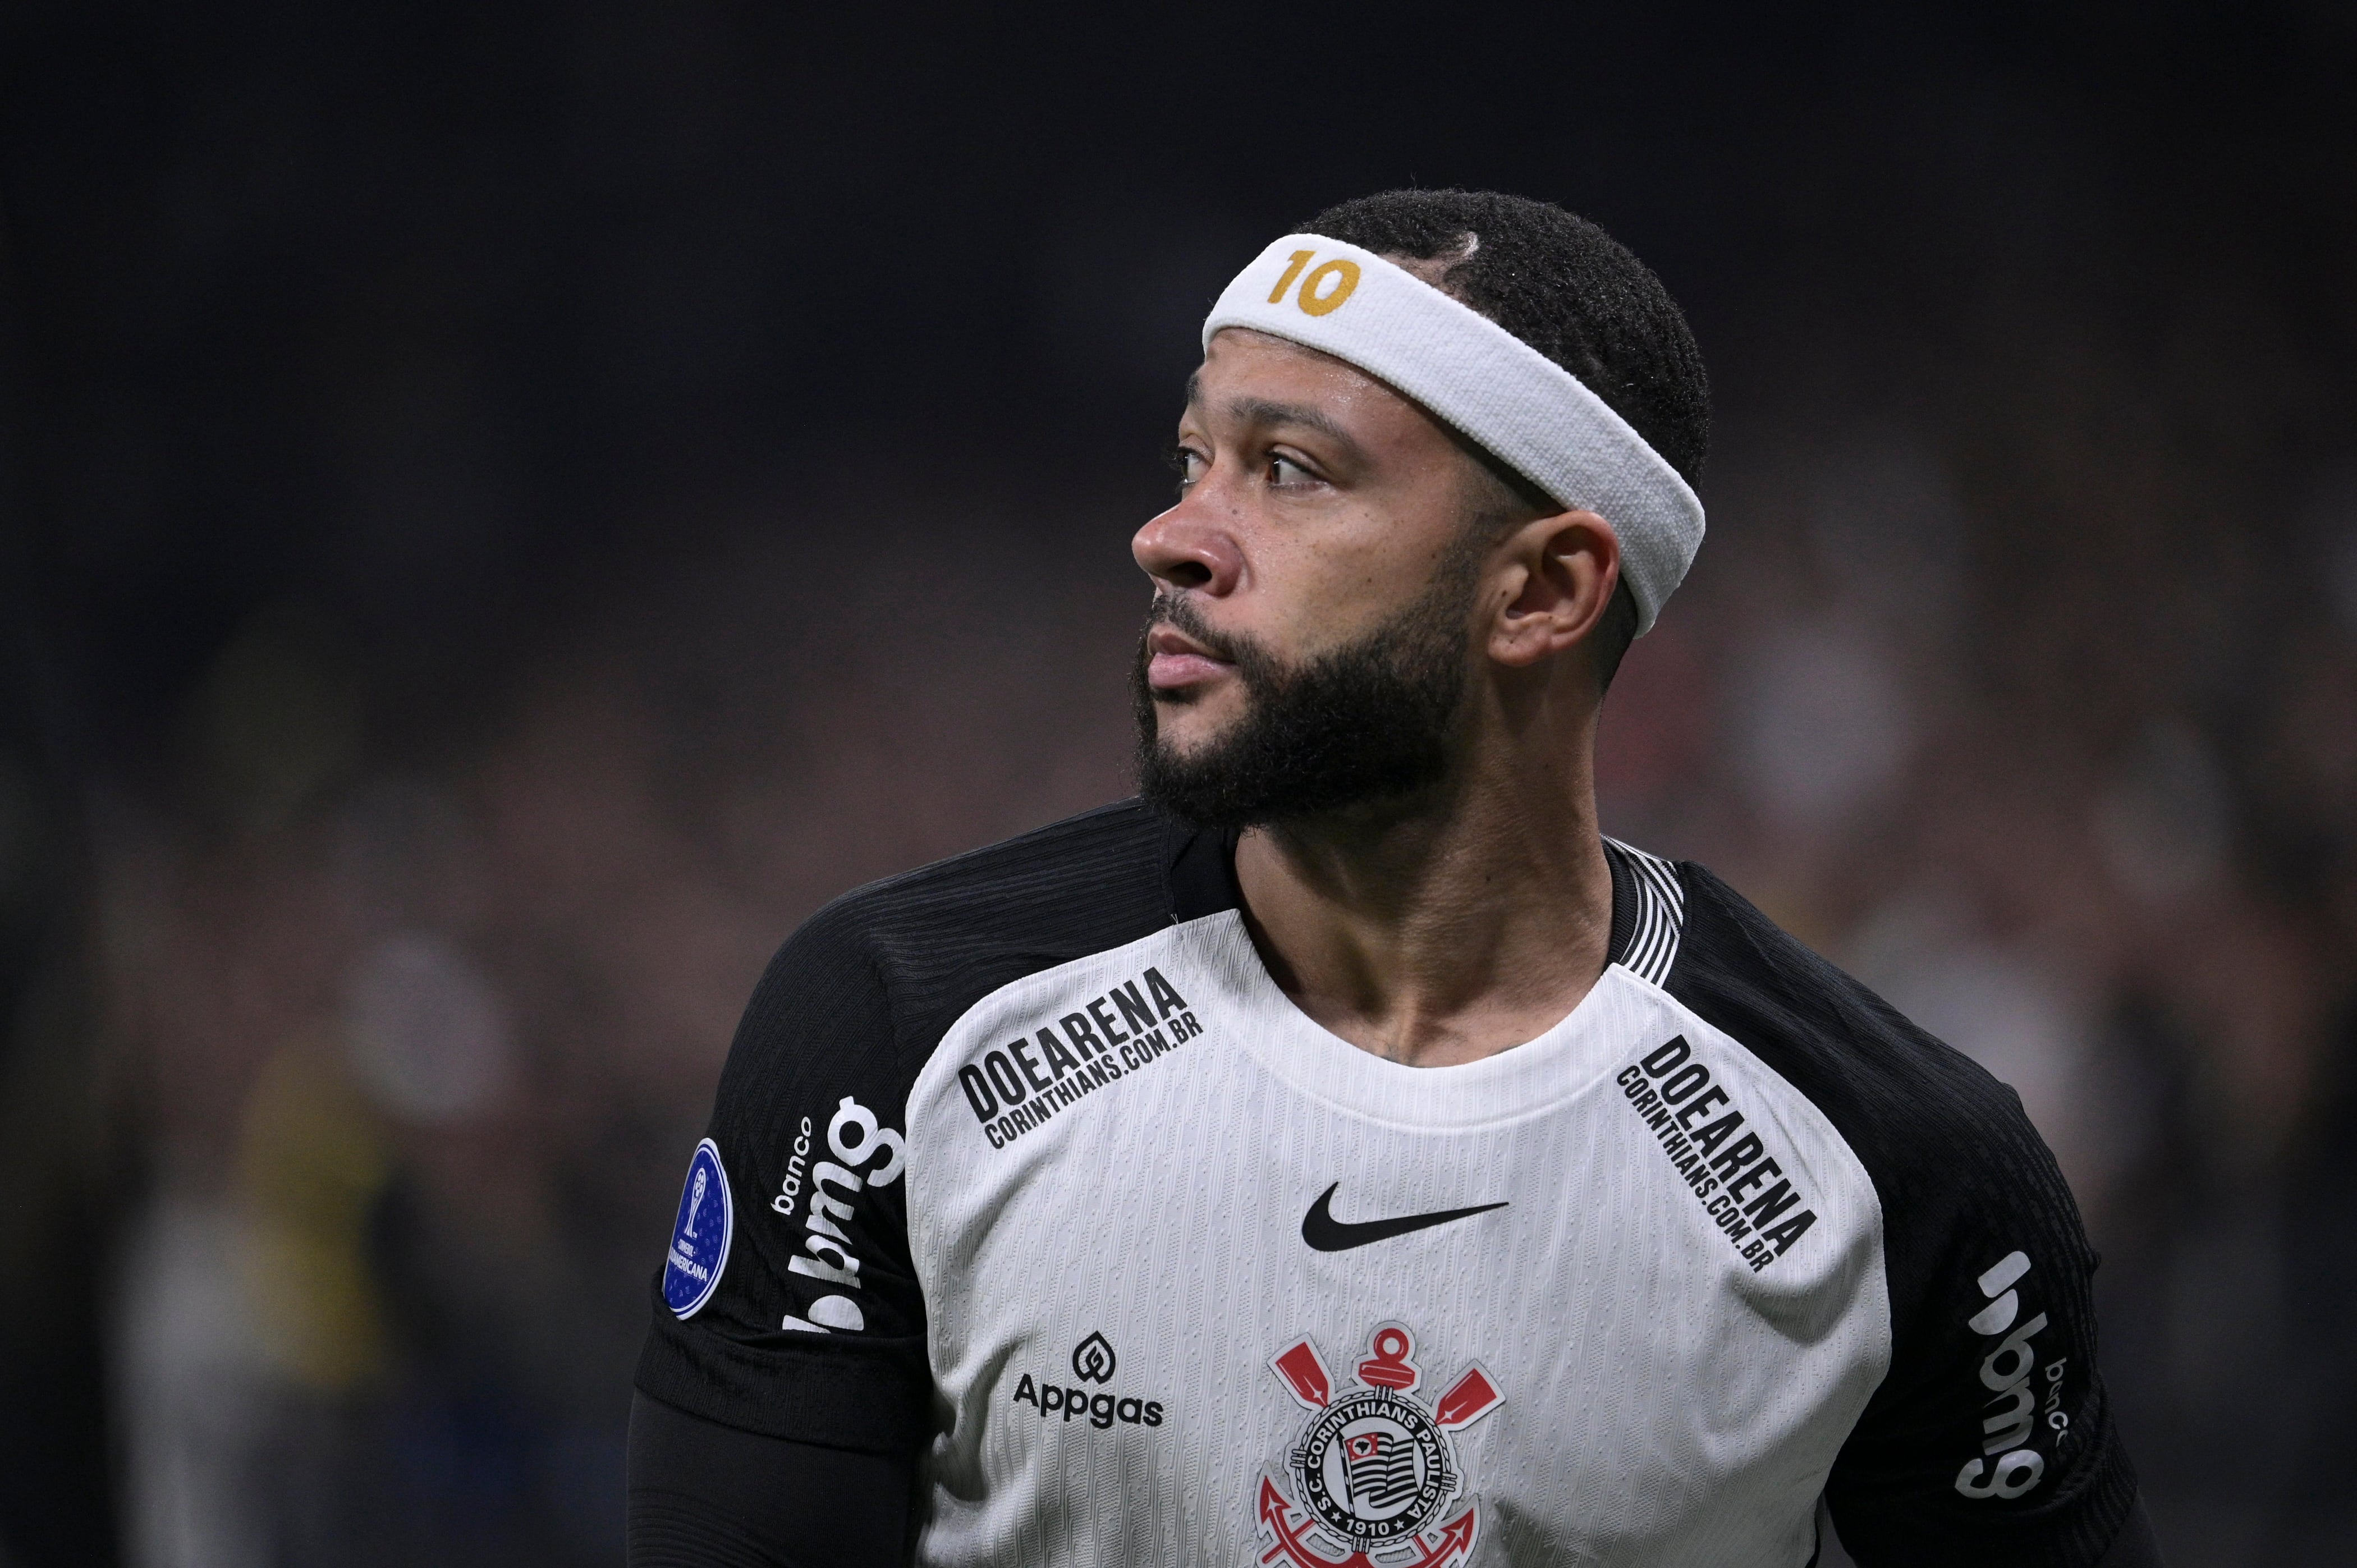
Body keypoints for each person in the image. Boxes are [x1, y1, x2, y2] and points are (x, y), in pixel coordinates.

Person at [626, 189, 2161, 1567]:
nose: (1173, 534)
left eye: (1290, 470)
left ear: (1544, 589)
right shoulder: (895, 1026)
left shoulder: (1903, 1172)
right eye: (1194, 454)